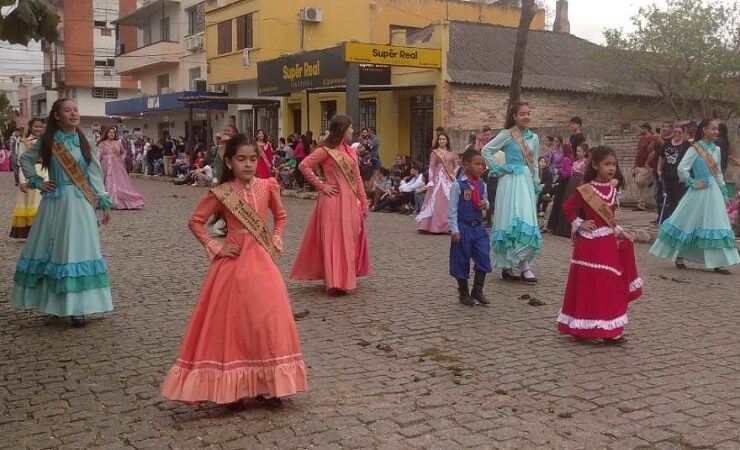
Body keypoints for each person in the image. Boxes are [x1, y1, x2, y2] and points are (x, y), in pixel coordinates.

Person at [161, 133, 307, 406]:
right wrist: (215, 246)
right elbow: (195, 221)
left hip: (263, 261)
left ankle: (268, 384)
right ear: (229, 162)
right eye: (241, 159)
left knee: (268, 320)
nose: (248, 164)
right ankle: (235, 386)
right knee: (234, 324)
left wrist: (276, 237)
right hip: (233, 265)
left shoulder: (268, 186)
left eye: (252, 159)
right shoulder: (222, 193)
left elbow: (282, 216)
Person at [11, 98, 113, 328]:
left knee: (78, 250)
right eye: (67, 110)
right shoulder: (48, 140)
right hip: (55, 202)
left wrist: (103, 200)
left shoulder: (84, 141)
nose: (74, 114)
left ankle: (79, 308)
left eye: (76, 109)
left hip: (80, 203)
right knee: (56, 250)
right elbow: (25, 159)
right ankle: (55, 304)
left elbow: (94, 173)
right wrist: (38, 181)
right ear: (57, 116)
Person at [557, 146, 642, 343]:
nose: (611, 168)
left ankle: (608, 328)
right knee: (591, 286)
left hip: (607, 242)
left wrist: (622, 232)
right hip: (589, 244)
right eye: (607, 164)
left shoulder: (611, 190)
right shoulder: (586, 190)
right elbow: (568, 208)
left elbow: (609, 220)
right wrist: (580, 223)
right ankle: (585, 326)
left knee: (608, 284)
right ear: (595, 165)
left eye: (614, 164)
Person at [290, 115, 371, 295]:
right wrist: (321, 185)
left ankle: (344, 277)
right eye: (350, 128)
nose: (352, 131)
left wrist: (364, 203)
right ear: (343, 129)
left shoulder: (350, 151)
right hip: (332, 201)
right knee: (334, 240)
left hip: (349, 201)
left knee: (349, 240)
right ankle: (335, 282)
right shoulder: (325, 150)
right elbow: (304, 165)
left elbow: (357, 179)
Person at [650, 119, 740, 274]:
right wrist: (693, 182)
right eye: (712, 129)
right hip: (699, 191)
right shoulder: (695, 149)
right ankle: (679, 255)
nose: (716, 132)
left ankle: (717, 262)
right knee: (687, 222)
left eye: (717, 129)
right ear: (704, 129)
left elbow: (718, 172)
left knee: (716, 223)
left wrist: (724, 191)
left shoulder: (716, 149)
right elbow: (682, 168)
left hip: (713, 192)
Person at [482, 101, 542, 282]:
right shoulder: (507, 135)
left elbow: (536, 163)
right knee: (510, 219)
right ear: (514, 116)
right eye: (522, 113)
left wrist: (536, 183)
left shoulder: (534, 138)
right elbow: (486, 150)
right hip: (509, 181)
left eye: (528, 113)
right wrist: (499, 168)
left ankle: (524, 264)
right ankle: (509, 265)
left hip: (525, 180)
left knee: (525, 218)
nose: (526, 117)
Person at [449, 148, 492, 306]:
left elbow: (487, 201)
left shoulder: (482, 184)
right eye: (476, 164)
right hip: (463, 227)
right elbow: (452, 210)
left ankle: (478, 290)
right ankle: (463, 292)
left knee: (483, 256)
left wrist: (484, 204)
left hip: (478, 227)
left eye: (482, 164)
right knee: (461, 260)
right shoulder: (458, 186)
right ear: (466, 164)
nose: (481, 167)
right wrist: (454, 229)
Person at [10, 118, 47, 239]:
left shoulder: (47, 141)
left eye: (41, 127)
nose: (38, 129)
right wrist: (22, 181)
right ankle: (32, 232)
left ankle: (44, 230)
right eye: (36, 126)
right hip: (31, 172)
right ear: (30, 127)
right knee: (33, 203)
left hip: (46, 173)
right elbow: (21, 162)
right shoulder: (24, 142)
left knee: (44, 201)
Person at [417, 133, 459, 234]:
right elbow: (431, 167)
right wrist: (431, 180)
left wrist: (453, 174)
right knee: (436, 202)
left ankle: (447, 226)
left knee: (448, 202)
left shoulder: (451, 154)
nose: (441, 141)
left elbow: (457, 165)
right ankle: (432, 226)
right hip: (437, 181)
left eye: (443, 139)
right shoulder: (434, 153)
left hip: (448, 180)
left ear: (447, 141)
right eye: (440, 139)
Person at [98, 126, 145, 210]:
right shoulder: (102, 144)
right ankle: (106, 201)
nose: (112, 134)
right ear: (106, 133)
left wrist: (120, 158)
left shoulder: (117, 143)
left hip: (116, 166)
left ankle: (120, 201)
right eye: (110, 132)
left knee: (119, 182)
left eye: (113, 132)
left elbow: (123, 152)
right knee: (105, 183)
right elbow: (98, 156)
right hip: (105, 166)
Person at [553, 142, 589, 237]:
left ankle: (575, 228)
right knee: (567, 202)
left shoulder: (585, 162)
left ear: (585, 152)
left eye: (579, 151)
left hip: (580, 182)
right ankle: (563, 229)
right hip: (572, 183)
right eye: (576, 151)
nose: (577, 153)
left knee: (577, 205)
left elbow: (586, 174)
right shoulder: (575, 161)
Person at [657, 125, 689, 222]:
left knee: (678, 197)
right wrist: (659, 170)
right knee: (667, 196)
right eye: (675, 132)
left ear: (683, 134)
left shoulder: (686, 145)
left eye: (679, 132)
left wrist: (684, 175)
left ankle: (678, 218)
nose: (677, 134)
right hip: (667, 174)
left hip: (678, 175)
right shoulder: (667, 144)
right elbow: (661, 157)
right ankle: (667, 218)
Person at [632, 123, 654, 211]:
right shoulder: (641, 139)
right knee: (639, 185)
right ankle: (640, 204)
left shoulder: (651, 138)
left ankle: (641, 204)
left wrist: (647, 163)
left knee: (640, 181)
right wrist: (634, 164)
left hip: (646, 166)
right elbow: (638, 151)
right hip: (638, 165)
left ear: (646, 129)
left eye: (641, 129)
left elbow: (652, 151)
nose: (640, 131)